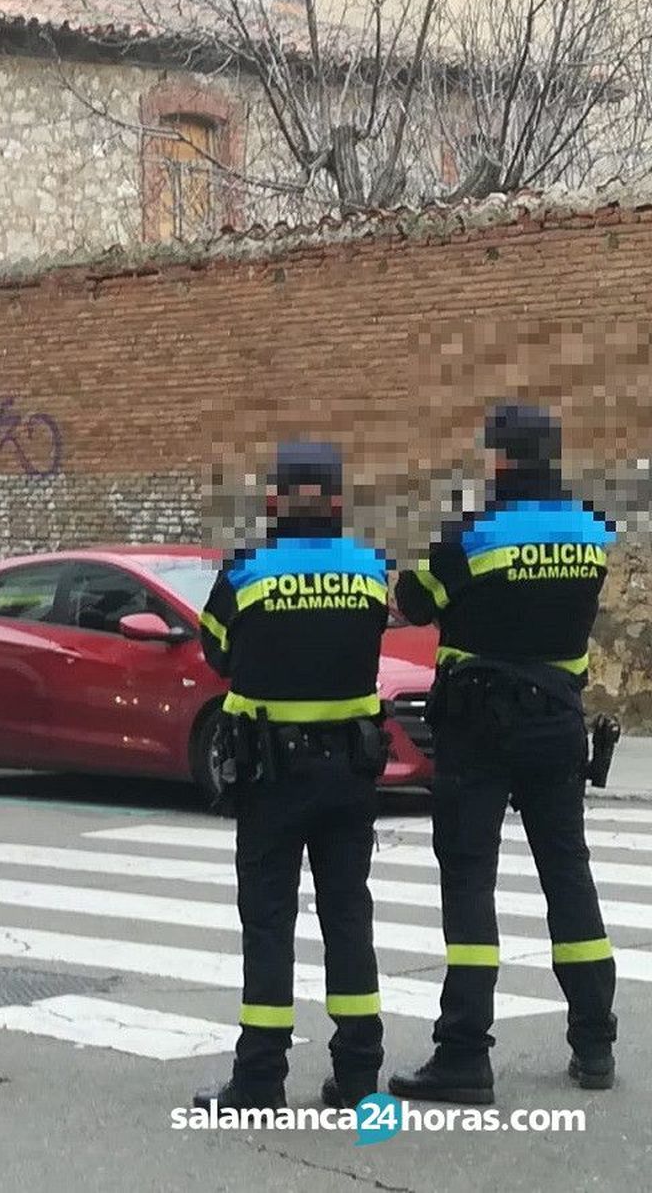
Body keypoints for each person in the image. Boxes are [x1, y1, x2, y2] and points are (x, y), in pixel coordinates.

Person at [390, 402, 617, 1103]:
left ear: (499, 459)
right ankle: (593, 1044)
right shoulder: (591, 532)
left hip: (478, 728)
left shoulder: (474, 532)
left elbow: (415, 599)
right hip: (557, 722)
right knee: (567, 876)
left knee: (469, 881)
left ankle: (464, 1053)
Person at [193, 441, 391, 1110]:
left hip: (272, 776)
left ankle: (260, 1080)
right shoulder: (369, 569)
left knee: (270, 923)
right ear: (338, 499)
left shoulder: (249, 571)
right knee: (347, 915)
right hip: (350, 774)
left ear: (274, 500)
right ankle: (360, 1072)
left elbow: (215, 652)